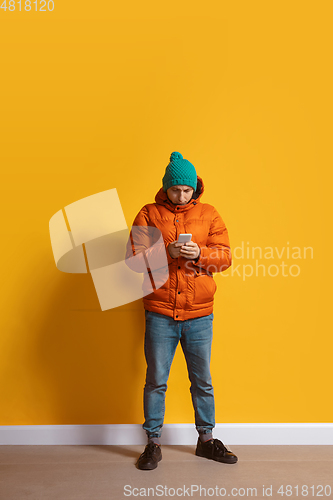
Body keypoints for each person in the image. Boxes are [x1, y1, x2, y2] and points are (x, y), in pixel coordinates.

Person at [125, 151, 237, 470]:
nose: (182, 195)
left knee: (202, 380)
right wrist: (166, 253)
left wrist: (199, 253)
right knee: (156, 380)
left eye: (187, 190)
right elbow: (134, 260)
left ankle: (206, 440)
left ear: (195, 188)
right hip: (160, 312)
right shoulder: (148, 213)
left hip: (199, 314)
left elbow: (225, 258)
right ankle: (152, 443)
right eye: (176, 189)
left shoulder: (210, 214)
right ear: (166, 187)